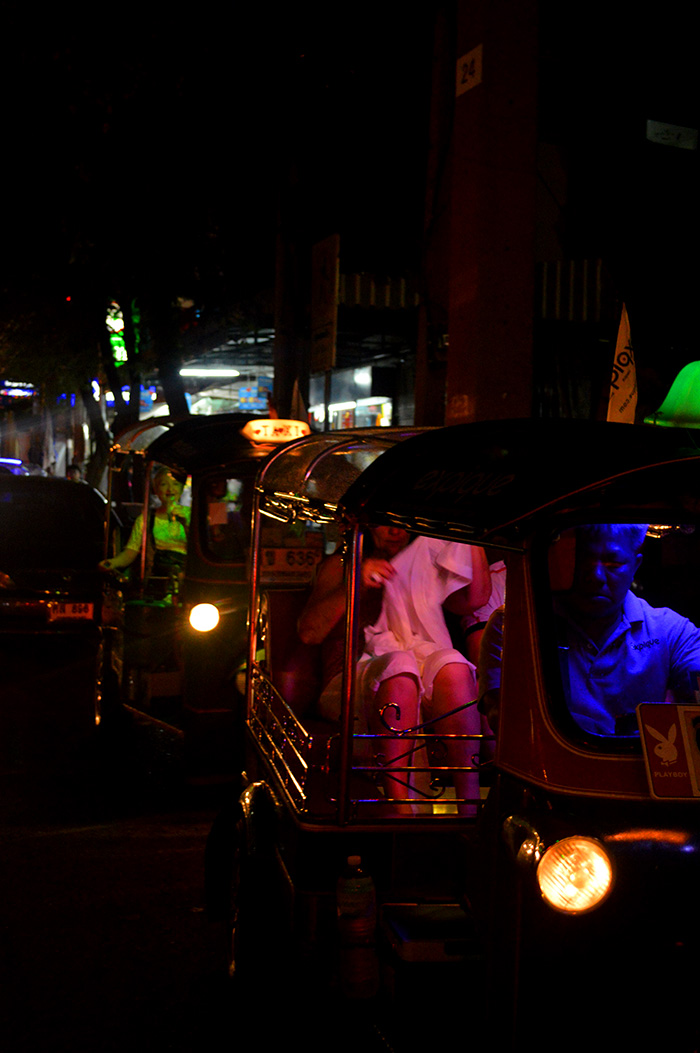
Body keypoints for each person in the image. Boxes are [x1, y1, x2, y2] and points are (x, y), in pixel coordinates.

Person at [299, 526, 490, 812]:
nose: (394, 531)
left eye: (402, 522)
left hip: (420, 668)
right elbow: (309, 633)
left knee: (453, 664)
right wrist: (356, 581)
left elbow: (473, 600)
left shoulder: (421, 558)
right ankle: (400, 808)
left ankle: (470, 804)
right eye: (385, 522)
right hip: (351, 677)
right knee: (400, 666)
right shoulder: (342, 565)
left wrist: (468, 536)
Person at [478, 524, 700, 738]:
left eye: (612, 562)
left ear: (636, 566)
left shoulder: (672, 632)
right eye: (583, 559)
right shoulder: (513, 625)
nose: (595, 575)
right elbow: (506, 722)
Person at [99, 467, 190, 596]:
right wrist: (112, 563)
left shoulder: (192, 515)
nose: (170, 489)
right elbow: (131, 552)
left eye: (175, 484)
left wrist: (186, 524)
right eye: (164, 484)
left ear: (181, 489)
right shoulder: (146, 519)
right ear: (156, 490)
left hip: (187, 578)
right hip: (158, 580)